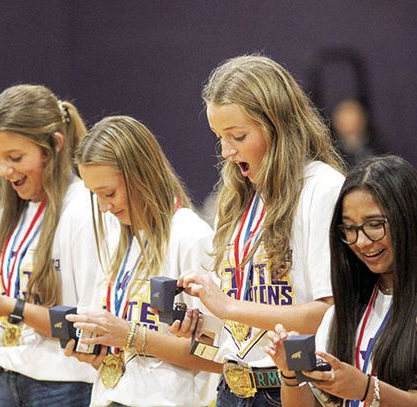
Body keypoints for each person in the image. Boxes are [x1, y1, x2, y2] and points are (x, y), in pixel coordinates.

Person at [179, 54, 346, 406]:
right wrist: (203, 327)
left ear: (277, 125)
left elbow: (326, 314)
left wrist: (229, 308)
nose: (225, 151)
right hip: (232, 388)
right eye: (218, 137)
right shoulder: (240, 195)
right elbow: (242, 318)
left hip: (289, 390)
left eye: (237, 135)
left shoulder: (323, 188)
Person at [0, 84, 99, 406]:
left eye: (15, 157)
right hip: (7, 379)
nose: (4, 170)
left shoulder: (85, 209)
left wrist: (13, 308)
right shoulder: (4, 217)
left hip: (66, 385)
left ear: (55, 145)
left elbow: (87, 326)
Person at [66, 115, 219, 407]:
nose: (104, 207)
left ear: (141, 174)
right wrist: (96, 352)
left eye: (109, 193)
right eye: (95, 195)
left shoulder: (190, 236)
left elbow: (216, 358)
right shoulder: (115, 236)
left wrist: (132, 336)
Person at [265, 155, 417, 406]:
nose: (362, 241)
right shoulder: (343, 312)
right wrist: (292, 373)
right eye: (350, 229)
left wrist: (368, 389)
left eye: (375, 224)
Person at [331, 98, 382, 168]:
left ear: (363, 120)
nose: (349, 123)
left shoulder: (376, 146)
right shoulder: (332, 151)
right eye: (345, 120)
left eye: (353, 118)